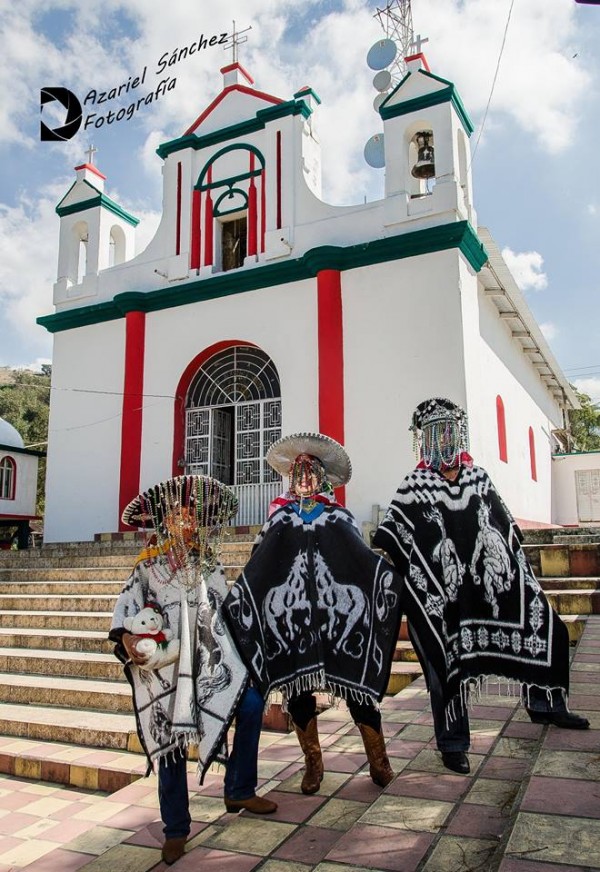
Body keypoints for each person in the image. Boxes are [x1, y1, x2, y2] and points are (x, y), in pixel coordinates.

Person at [373, 398, 589, 776]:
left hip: (489, 586)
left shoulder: (479, 478)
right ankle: (453, 743)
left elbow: (507, 531)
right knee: (442, 659)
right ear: (423, 440)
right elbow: (393, 537)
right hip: (443, 595)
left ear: (460, 433)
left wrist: (517, 575)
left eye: (450, 431)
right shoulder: (414, 486)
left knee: (546, 625)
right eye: (435, 433)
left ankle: (546, 704)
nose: (444, 440)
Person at [109, 474, 277, 867]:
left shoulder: (209, 562)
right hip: (164, 670)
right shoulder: (147, 566)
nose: (185, 521)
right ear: (166, 520)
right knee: (169, 739)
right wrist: (129, 642)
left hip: (207, 664)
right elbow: (126, 612)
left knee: (250, 703)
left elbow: (223, 613)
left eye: (190, 514)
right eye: (177, 514)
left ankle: (239, 787)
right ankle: (175, 828)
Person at [223, 433, 403, 794]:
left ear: (322, 477)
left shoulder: (340, 517)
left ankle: (379, 761)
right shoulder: (278, 519)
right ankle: (313, 764)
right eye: (299, 471)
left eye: (312, 470)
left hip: (337, 621)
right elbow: (260, 565)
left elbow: (357, 561)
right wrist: (242, 595)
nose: (304, 477)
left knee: (357, 692)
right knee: (298, 693)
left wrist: (388, 577)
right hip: (294, 622)